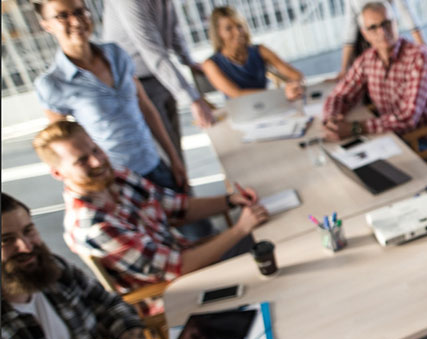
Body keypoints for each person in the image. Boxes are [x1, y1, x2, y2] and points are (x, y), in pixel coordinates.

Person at [32, 120, 269, 296]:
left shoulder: (118, 177)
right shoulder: (94, 226)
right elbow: (178, 268)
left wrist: (230, 201)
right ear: (57, 173)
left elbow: (176, 208)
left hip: (191, 258)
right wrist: (240, 229)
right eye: (82, 160)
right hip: (177, 291)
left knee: (272, 234)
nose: (97, 161)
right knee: (271, 252)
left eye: (95, 150)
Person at [1, 192, 181, 339]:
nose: (26, 246)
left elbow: (110, 305)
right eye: (6, 240)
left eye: (28, 230)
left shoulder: (51, 270)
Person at [33, 0, 189, 194]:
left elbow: (145, 107)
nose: (76, 21)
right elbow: (63, 149)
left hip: (154, 162)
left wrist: (174, 158)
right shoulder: (52, 84)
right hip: (114, 180)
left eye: (80, 11)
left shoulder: (116, 54)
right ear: (46, 25)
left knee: (198, 223)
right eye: (62, 16)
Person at [102, 0, 217, 167]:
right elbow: (152, 50)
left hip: (161, 77)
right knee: (165, 156)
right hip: (136, 83)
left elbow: (173, 30)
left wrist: (188, 60)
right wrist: (193, 99)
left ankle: (185, 191)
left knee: (175, 149)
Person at [322, 0, 427, 142]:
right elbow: (340, 95)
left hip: (423, 138)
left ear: (396, 23)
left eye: (386, 23)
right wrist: (330, 119)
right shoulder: (367, 59)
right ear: (365, 34)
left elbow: (408, 118)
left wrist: (354, 128)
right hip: (390, 135)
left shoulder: (420, 58)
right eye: (373, 28)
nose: (381, 32)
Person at [202, 6, 305, 100]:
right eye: (229, 28)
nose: (237, 32)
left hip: (270, 106)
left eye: (239, 26)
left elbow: (295, 75)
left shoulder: (260, 50)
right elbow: (237, 94)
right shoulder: (210, 64)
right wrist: (281, 94)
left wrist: (293, 86)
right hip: (241, 115)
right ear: (218, 33)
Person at [336, 0, 427, 81]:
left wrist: (425, 53)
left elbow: (406, 12)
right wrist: (344, 69)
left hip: (388, 38)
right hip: (365, 41)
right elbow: (350, 26)